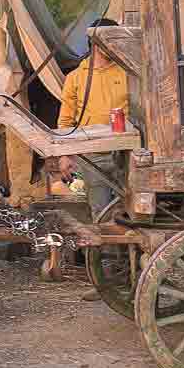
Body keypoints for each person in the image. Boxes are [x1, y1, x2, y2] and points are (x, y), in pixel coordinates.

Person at [54, 19, 130, 221]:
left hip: (127, 153)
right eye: (111, 40)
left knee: (132, 212)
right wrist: (65, 155)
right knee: (101, 213)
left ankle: (129, 250)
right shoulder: (76, 77)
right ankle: (108, 252)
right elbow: (66, 121)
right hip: (92, 156)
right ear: (96, 43)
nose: (116, 45)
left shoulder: (128, 72)